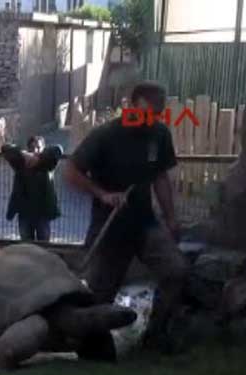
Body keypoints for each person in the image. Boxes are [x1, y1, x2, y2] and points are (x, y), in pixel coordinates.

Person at [63, 81, 188, 354]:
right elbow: (70, 172)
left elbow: (160, 177)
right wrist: (102, 193)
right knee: (99, 293)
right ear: (130, 106)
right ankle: (91, 345)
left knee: (176, 270)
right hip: (109, 226)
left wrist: (171, 218)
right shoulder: (105, 136)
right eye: (145, 113)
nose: (149, 120)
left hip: (144, 222)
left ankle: (155, 335)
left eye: (155, 114)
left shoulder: (159, 134)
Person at [2, 135, 62, 243]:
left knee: (44, 246)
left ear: (43, 149)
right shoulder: (20, 162)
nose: (35, 150)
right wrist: (23, 154)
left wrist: (40, 157)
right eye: (32, 148)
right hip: (25, 212)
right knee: (26, 246)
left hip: (43, 213)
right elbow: (5, 148)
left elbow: (58, 149)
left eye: (38, 147)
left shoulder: (47, 164)